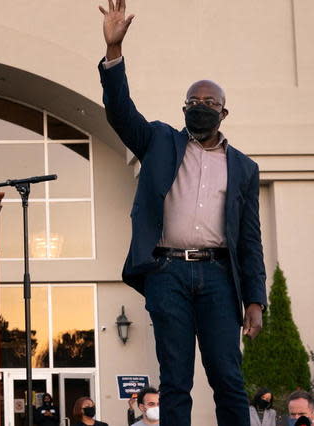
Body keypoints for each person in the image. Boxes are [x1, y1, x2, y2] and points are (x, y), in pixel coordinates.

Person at [97, 1, 266, 425]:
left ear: (224, 112)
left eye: (209, 101)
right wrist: (114, 53)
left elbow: (249, 238)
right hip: (166, 272)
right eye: (193, 100)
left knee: (228, 376)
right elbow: (120, 113)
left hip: (218, 278)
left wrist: (255, 299)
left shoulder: (243, 168)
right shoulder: (158, 141)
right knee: (174, 378)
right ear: (183, 107)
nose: (200, 105)